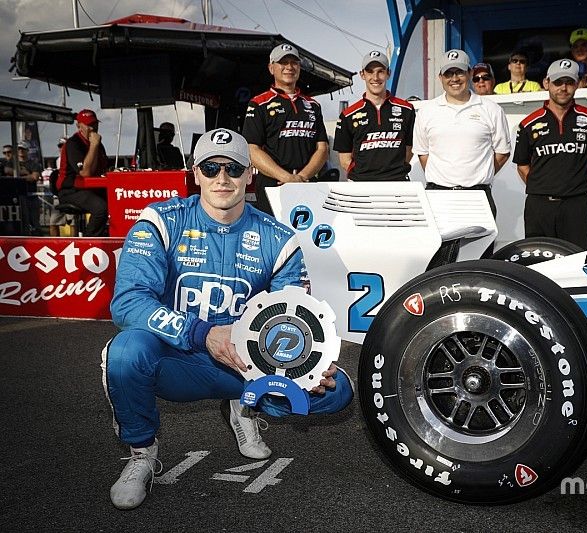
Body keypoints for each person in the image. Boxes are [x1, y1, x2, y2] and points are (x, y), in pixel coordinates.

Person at [102, 128, 353, 510]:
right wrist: (202, 334)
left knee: (336, 391)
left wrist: (306, 366)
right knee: (123, 354)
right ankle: (142, 454)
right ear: (195, 172)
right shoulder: (160, 220)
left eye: (234, 168)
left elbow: (295, 318)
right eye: (211, 167)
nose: (222, 178)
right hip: (179, 357)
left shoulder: (279, 238)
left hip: (246, 365)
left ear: (249, 174)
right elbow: (128, 303)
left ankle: (244, 405)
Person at [514, 59, 587, 250]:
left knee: (574, 260)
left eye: (569, 82)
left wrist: (581, 190)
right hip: (538, 207)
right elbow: (522, 165)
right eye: (558, 82)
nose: (563, 88)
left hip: (576, 207)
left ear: (578, 84)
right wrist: (542, 187)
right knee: (538, 262)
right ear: (546, 83)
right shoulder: (529, 123)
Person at [413, 49, 511, 218]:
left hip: (478, 197)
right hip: (438, 197)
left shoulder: (492, 109)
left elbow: (502, 152)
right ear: (440, 78)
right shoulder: (426, 111)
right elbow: (423, 154)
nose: (454, 79)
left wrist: (478, 175)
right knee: (440, 245)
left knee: (481, 246)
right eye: (448, 74)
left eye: (460, 72)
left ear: (470, 73)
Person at [242, 43, 328, 215]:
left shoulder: (313, 105)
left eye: (294, 63)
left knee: (306, 238)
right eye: (283, 62)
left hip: (306, 184)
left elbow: (322, 148)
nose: (289, 67)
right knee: (273, 237)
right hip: (272, 185)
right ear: (271, 68)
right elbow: (252, 149)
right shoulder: (259, 103)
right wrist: (286, 178)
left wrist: (301, 178)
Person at [333, 50, 415, 181]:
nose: (375, 77)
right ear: (362, 75)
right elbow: (344, 159)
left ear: (388, 73)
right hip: (362, 186)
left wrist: (392, 173)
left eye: (380, 71)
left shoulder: (406, 109)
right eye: (370, 71)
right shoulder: (348, 115)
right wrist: (365, 176)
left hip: (397, 185)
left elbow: (409, 150)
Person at [57, 109, 109, 237]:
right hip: (71, 190)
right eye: (89, 125)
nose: (93, 128)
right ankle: (90, 240)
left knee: (117, 200)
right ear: (79, 126)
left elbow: (103, 168)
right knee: (100, 208)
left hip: (91, 188)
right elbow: (85, 172)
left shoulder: (98, 145)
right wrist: (93, 146)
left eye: (95, 124)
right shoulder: (73, 144)